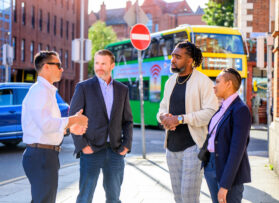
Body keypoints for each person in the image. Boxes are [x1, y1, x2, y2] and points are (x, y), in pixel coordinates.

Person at [22, 51, 88, 203]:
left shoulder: (45, 91)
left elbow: (46, 126)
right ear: (46, 67)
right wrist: (74, 120)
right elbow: (46, 125)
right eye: (58, 65)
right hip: (41, 156)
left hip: (44, 155)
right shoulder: (40, 91)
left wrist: (70, 128)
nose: (62, 69)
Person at [156, 41, 218, 203]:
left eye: (178, 56)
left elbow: (211, 112)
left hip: (193, 147)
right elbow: (161, 108)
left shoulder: (203, 82)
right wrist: (163, 117)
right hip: (171, 147)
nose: (173, 60)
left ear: (189, 60)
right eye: (172, 56)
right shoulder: (170, 82)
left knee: (188, 197)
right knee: (178, 197)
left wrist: (181, 119)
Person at [69, 49, 133, 203]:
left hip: (115, 151)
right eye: (97, 63)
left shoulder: (122, 89)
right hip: (91, 150)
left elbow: (128, 121)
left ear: (112, 65)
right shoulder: (83, 87)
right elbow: (73, 120)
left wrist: (126, 146)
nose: (99, 67)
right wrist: (83, 146)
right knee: (85, 197)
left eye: (103, 63)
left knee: (114, 197)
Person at [204, 68, 252, 203]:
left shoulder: (240, 109)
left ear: (229, 84)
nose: (214, 85)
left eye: (218, 81)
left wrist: (225, 185)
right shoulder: (222, 107)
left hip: (228, 170)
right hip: (211, 166)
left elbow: (237, 150)